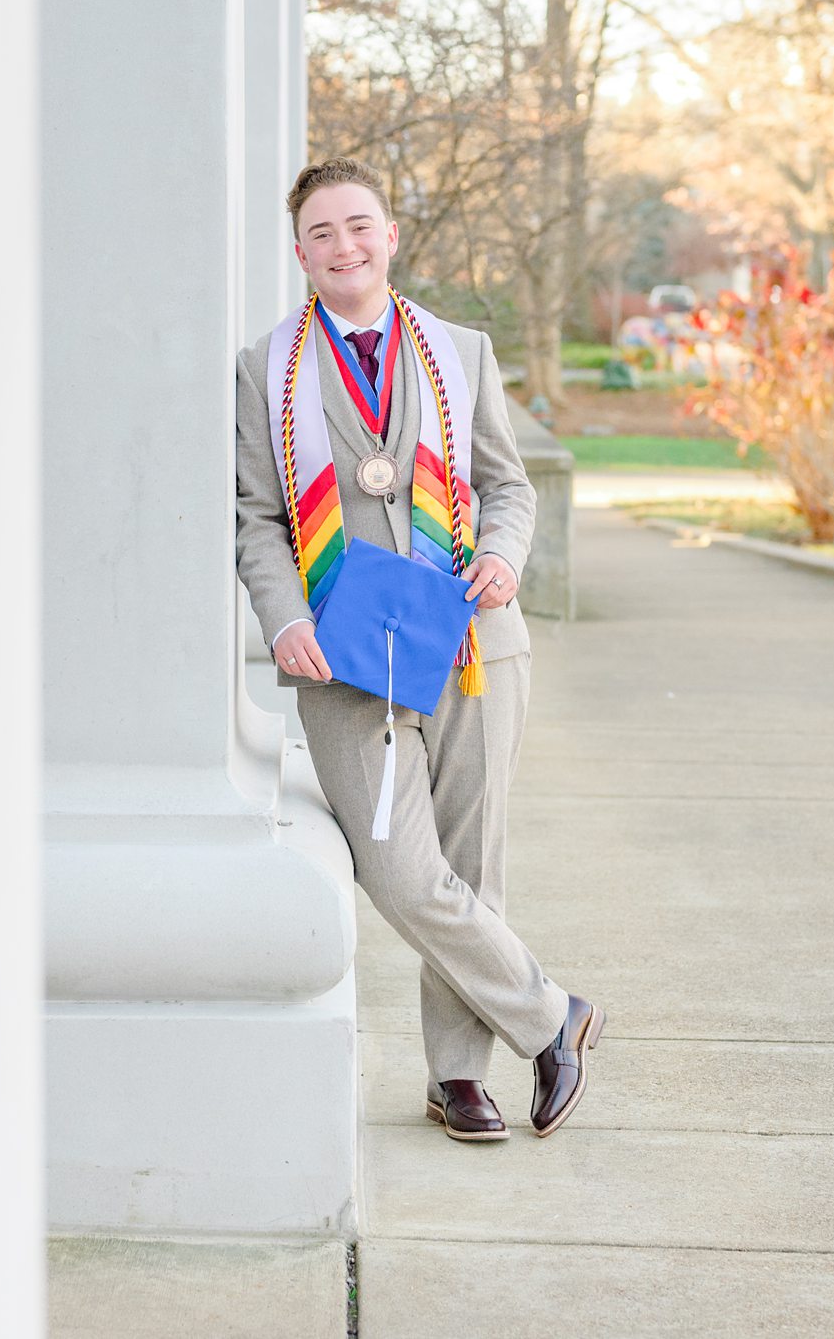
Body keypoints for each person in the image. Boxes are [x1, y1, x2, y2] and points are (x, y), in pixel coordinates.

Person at [233, 156, 603, 1141]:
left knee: (472, 860)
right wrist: (284, 617)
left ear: (391, 234)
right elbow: (257, 518)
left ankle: (459, 1077)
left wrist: (507, 557)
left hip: (474, 638)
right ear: (301, 253)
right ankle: (551, 1015)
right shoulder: (265, 370)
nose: (343, 246)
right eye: (321, 233)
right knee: (397, 862)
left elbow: (509, 487)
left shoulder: (460, 352)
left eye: (359, 225)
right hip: (345, 651)